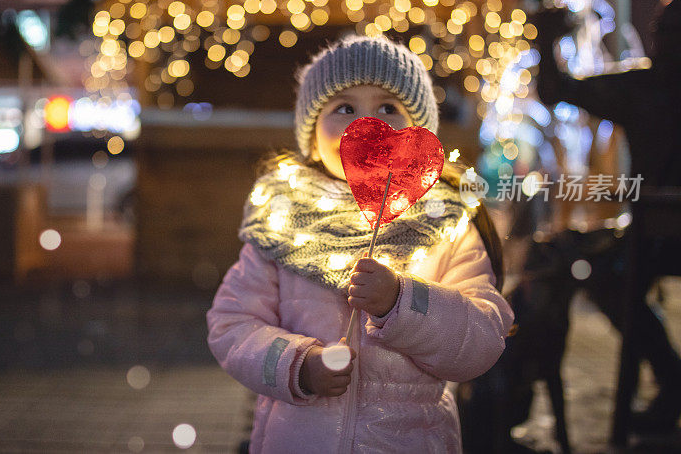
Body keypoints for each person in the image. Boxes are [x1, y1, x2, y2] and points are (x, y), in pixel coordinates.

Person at [206, 35, 514, 453]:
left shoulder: (446, 223)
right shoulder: (280, 223)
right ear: (312, 136)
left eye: (389, 107)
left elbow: (481, 338)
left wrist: (402, 302)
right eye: (344, 108)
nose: (366, 124)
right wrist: (297, 365)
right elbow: (231, 324)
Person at [533, 0, 681, 434]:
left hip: (657, 234)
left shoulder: (647, 87)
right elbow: (559, 90)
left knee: (609, 277)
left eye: (667, 27)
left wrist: (547, 37)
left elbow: (555, 89)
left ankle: (673, 382)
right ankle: (673, 382)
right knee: (607, 275)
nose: (656, 36)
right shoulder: (642, 86)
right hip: (653, 230)